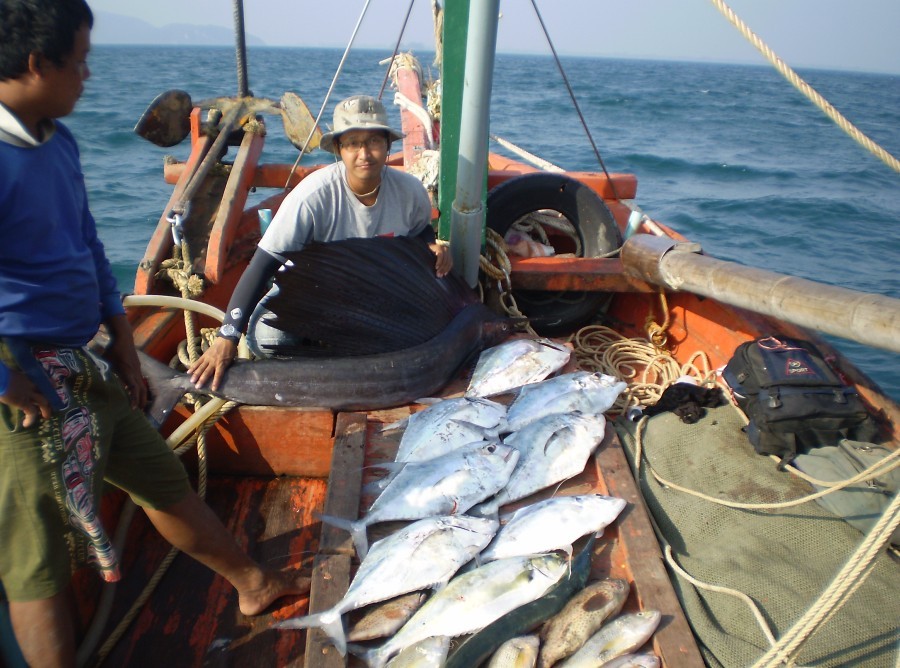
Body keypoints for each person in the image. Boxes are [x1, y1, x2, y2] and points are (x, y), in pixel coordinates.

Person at [0, 1, 309, 665]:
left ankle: (253, 584)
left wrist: (122, 339)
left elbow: (85, 243)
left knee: (157, 473)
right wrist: (6, 382)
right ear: (35, 64)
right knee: (37, 554)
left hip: (89, 356)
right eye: (78, 61)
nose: (88, 74)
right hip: (20, 376)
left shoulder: (57, 139)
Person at [188, 94, 453, 392]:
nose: (364, 153)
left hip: (375, 299)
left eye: (374, 142)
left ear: (387, 145)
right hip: (317, 298)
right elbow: (262, 265)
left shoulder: (410, 192)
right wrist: (227, 335)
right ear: (339, 148)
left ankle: (348, 352)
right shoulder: (313, 196)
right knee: (269, 338)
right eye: (353, 143)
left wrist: (431, 246)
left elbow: (421, 233)